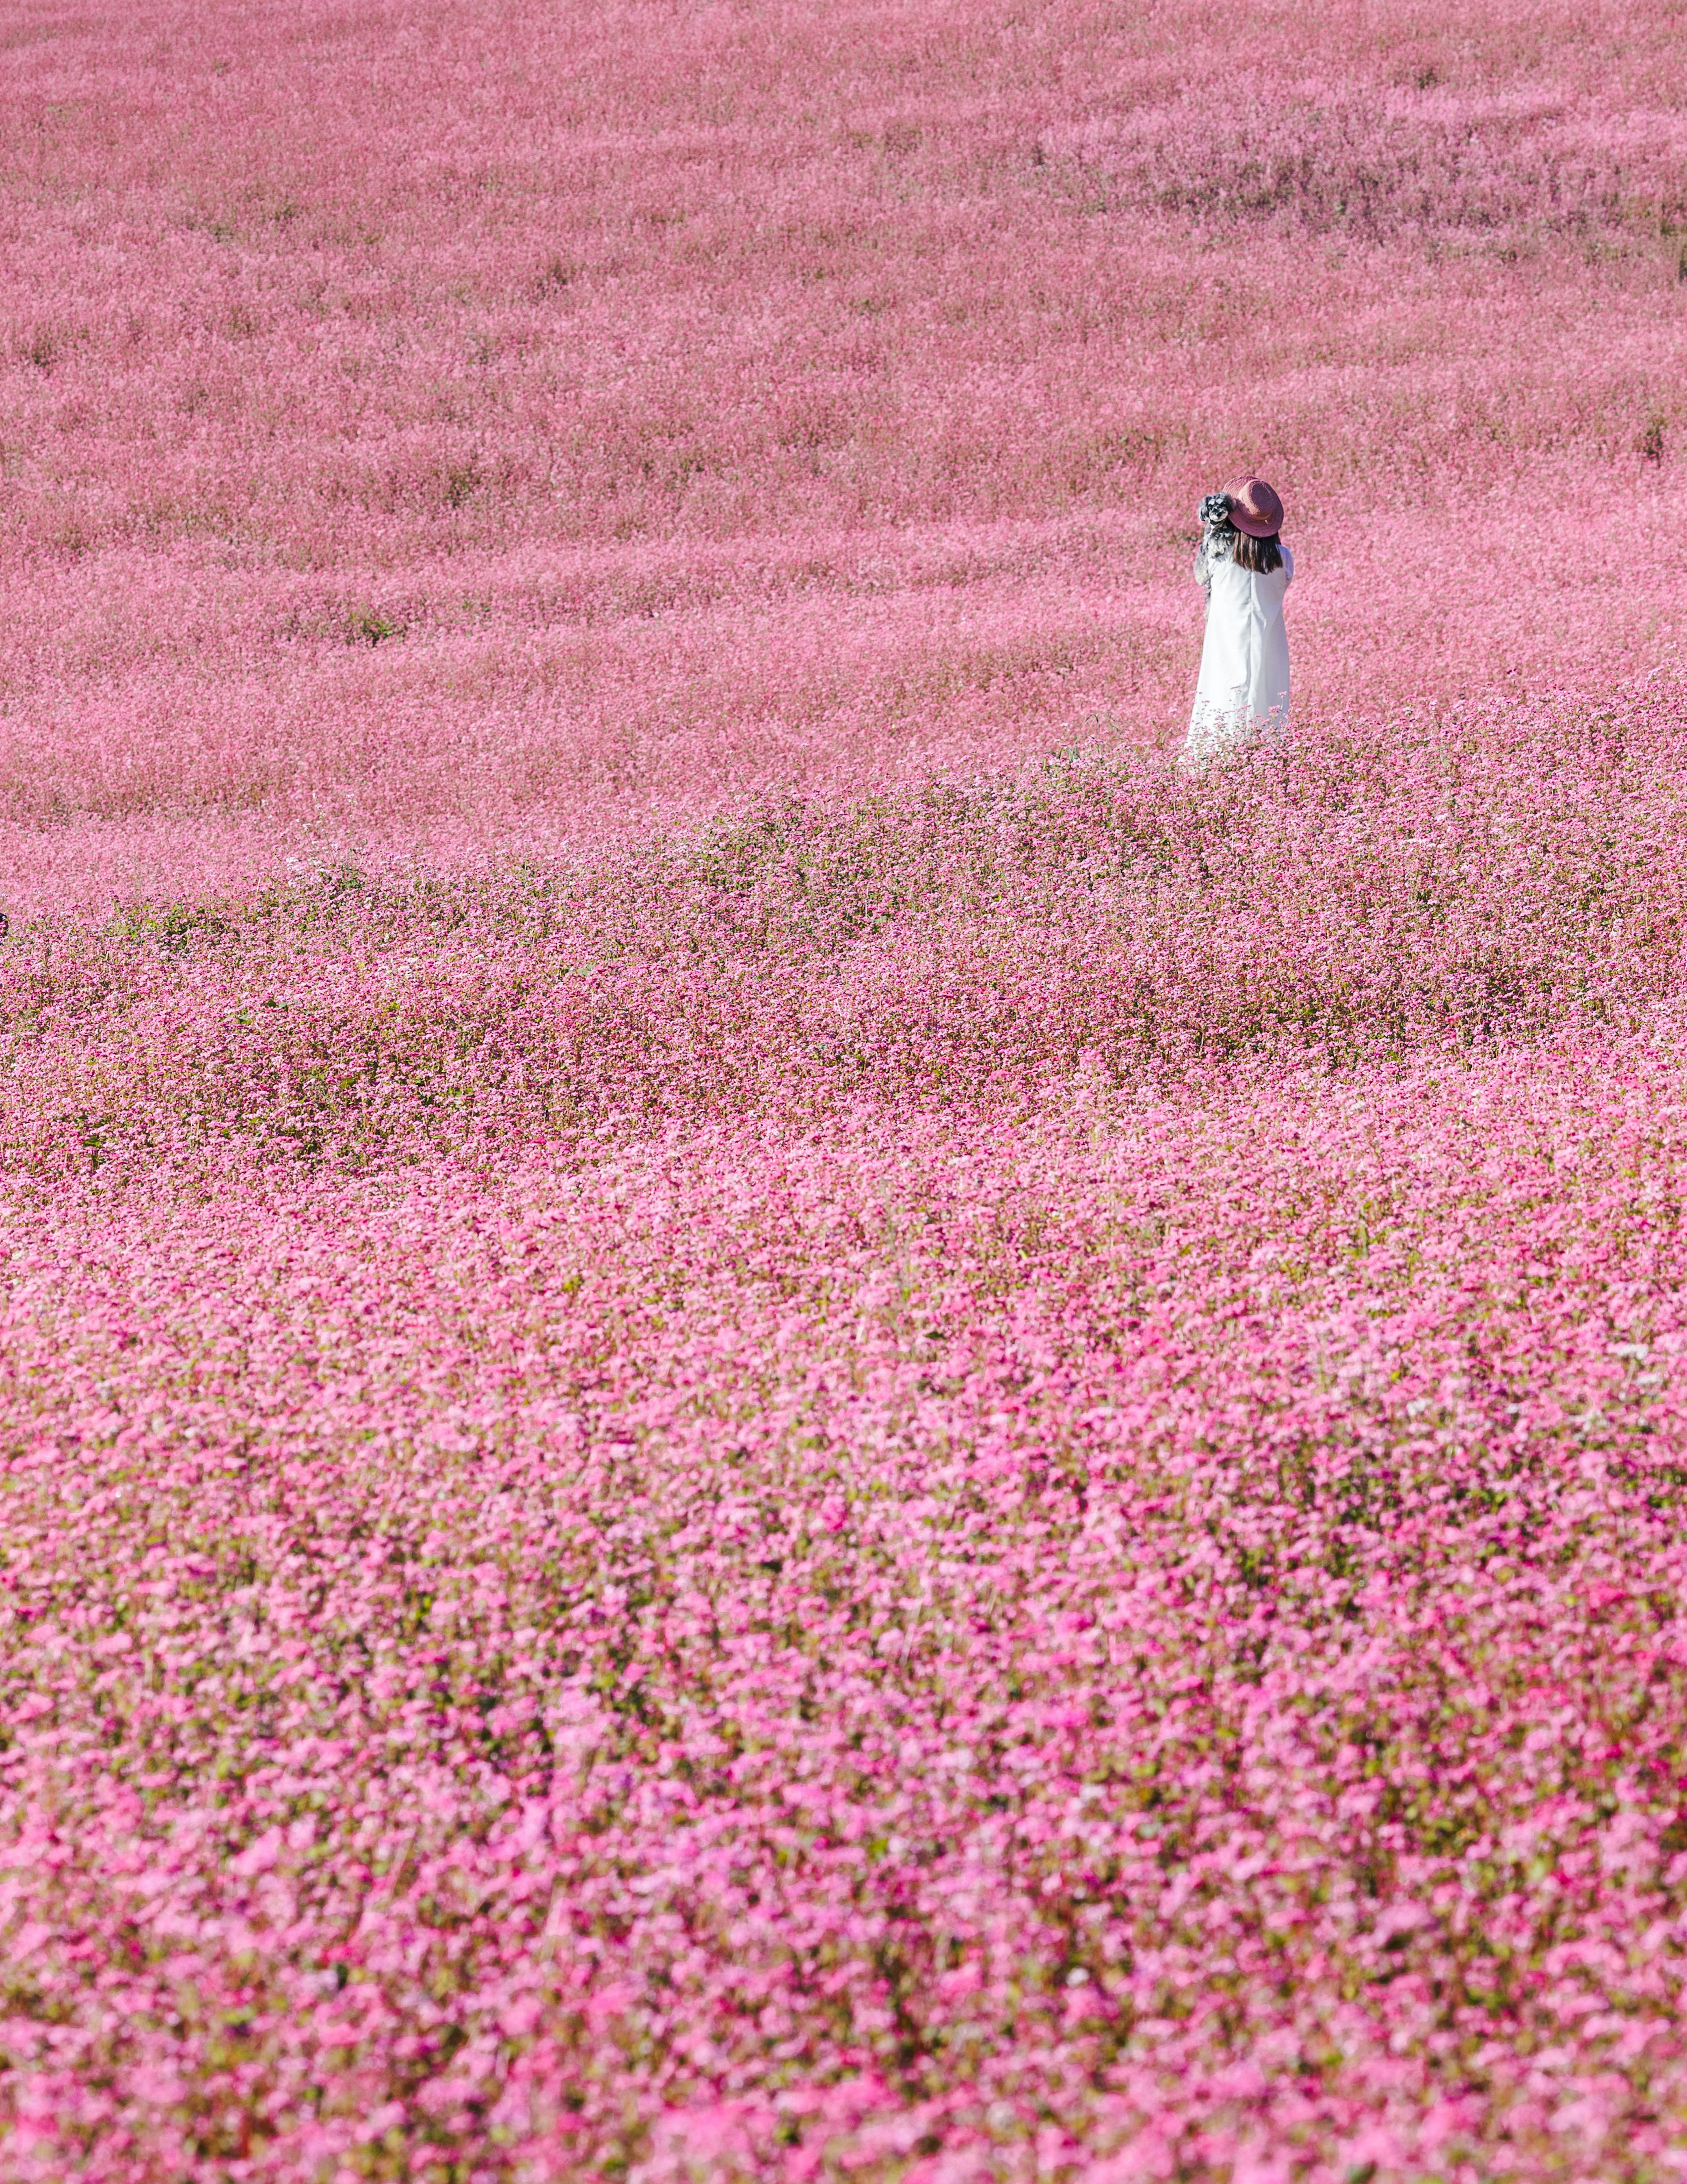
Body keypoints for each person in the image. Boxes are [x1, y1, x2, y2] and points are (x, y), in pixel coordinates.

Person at [1180, 478, 1292, 769]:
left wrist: (1214, 530)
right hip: (1270, 647)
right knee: (1267, 700)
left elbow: (1200, 575)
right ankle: (1265, 765)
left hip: (1225, 646)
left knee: (1222, 697)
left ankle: (1220, 765)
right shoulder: (1283, 559)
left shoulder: (1220, 558)